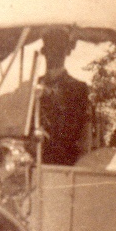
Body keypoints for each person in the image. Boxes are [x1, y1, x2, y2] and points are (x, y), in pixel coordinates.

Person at [37, 28, 90, 165]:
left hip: (63, 165)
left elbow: (84, 135)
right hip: (33, 160)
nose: (54, 52)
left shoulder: (78, 88)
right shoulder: (33, 85)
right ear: (44, 51)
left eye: (59, 48)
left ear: (66, 51)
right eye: (51, 47)